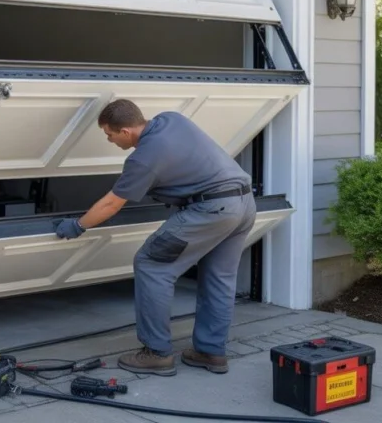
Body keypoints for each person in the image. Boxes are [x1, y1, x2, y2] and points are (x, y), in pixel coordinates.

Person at [53, 99, 257, 377]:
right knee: (219, 277)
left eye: (109, 134)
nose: (109, 140)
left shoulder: (143, 158)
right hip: (244, 203)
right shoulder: (171, 119)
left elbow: (111, 205)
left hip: (212, 210)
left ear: (125, 131)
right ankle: (211, 352)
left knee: (151, 264)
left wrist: (77, 225)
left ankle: (156, 354)